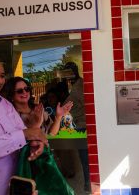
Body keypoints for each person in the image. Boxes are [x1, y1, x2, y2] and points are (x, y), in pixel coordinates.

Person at [0, 55, 48, 195]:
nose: (0, 81)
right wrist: (24, 135)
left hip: (18, 187)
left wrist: (34, 143)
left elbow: (23, 136)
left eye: (2, 76)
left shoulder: (5, 104)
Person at [2, 76, 73, 136]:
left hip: (45, 151)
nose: (24, 92)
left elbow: (51, 134)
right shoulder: (11, 116)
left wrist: (58, 116)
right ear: (11, 95)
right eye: (19, 91)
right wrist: (36, 126)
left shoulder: (38, 109)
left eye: (27, 89)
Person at [63, 62, 91, 192]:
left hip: (83, 125)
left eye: (68, 72)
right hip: (78, 125)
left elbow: (73, 103)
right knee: (83, 158)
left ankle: (88, 185)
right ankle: (88, 184)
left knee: (85, 159)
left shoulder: (79, 86)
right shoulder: (74, 85)